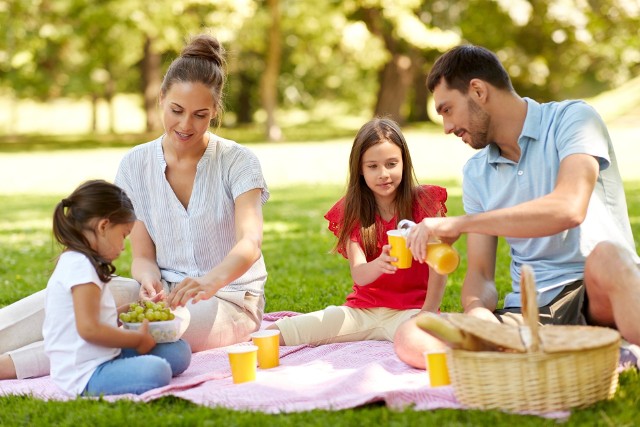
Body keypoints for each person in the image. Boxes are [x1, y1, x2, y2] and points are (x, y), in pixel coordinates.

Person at [0, 33, 268, 380]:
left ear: (215, 111)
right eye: (176, 111)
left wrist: (208, 282)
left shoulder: (238, 161)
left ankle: (7, 368)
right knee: (77, 296)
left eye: (200, 115)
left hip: (229, 301)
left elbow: (250, 243)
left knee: (145, 326)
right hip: (164, 292)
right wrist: (148, 281)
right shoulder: (134, 165)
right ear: (160, 99)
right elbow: (142, 255)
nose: (186, 125)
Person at [393, 44, 640, 369]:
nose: (447, 127)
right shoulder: (477, 172)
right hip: (528, 314)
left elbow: (568, 208)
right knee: (412, 332)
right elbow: (481, 274)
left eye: (447, 110)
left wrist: (461, 224)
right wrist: (477, 314)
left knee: (609, 255)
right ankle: (519, 355)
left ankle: (591, 346)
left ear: (478, 91)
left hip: (596, 295)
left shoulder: (574, 119)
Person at [267, 118, 449, 346]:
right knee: (280, 332)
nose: (383, 173)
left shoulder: (424, 202)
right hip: (362, 311)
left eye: (392, 164)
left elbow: (439, 266)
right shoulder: (352, 211)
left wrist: (428, 311)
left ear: (404, 162)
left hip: (412, 311)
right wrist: (380, 263)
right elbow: (360, 275)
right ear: (360, 170)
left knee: (424, 344)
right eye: (372, 166)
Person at [43, 180, 191, 396]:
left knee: (178, 351)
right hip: (84, 373)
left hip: (103, 354)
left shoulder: (82, 262)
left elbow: (98, 318)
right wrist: (137, 339)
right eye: (123, 235)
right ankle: (102, 385)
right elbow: (89, 329)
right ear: (103, 226)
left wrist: (133, 309)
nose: (123, 247)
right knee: (157, 371)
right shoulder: (79, 266)